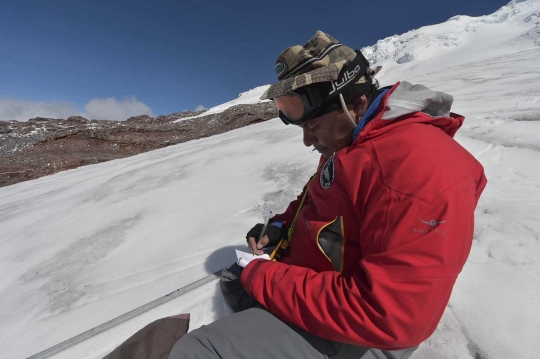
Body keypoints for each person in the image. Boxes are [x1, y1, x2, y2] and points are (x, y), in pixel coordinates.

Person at [168, 30, 487, 359]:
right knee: (233, 283)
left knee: (198, 350)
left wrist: (262, 275)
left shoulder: (416, 168)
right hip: (327, 288)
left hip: (364, 328)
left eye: (313, 126)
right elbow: (318, 194)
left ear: (356, 104)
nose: (308, 141)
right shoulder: (354, 140)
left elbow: (392, 316)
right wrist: (281, 226)